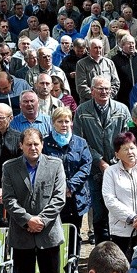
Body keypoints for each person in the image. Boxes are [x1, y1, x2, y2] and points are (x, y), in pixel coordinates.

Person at [2, 128, 66, 273]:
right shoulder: (10, 167)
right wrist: (28, 220)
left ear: (42, 144)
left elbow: (59, 197)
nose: (33, 148)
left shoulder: (55, 165)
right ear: (21, 145)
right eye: (28, 144)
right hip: (22, 235)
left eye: (36, 144)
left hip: (49, 234)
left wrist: (42, 221)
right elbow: (8, 199)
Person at [74, 76, 131, 245]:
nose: (104, 92)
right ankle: (102, 249)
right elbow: (79, 142)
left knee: (120, 210)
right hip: (94, 172)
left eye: (107, 88)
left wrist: (116, 160)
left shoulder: (121, 110)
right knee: (99, 214)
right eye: (100, 88)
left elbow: (127, 139)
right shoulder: (82, 111)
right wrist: (99, 161)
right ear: (92, 91)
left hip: (119, 168)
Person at [43, 107, 92, 249]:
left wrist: (70, 186)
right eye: (60, 121)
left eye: (67, 121)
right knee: (56, 233)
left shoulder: (80, 142)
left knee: (74, 233)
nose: (64, 125)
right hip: (54, 196)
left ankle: (73, 262)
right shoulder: (45, 144)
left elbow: (86, 166)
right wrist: (62, 187)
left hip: (77, 196)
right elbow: (44, 168)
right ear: (53, 123)